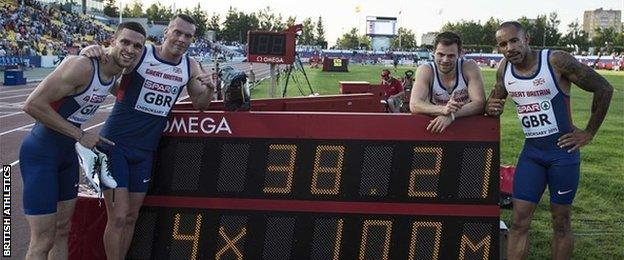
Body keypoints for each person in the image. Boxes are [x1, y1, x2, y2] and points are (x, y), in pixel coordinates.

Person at [81, 14, 215, 260]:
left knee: (131, 217)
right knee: (118, 217)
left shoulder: (190, 65)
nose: (182, 39)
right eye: (178, 32)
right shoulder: (142, 53)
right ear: (166, 32)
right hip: (114, 146)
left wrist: (210, 88)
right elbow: (108, 60)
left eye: (188, 36)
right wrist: (91, 49)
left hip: (144, 152)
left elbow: (200, 104)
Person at [485, 21, 613, 260]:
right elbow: (496, 99)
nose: (509, 48)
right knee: (519, 221)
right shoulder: (504, 68)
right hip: (532, 154)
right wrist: (490, 106)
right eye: (503, 44)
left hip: (562, 154)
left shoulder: (555, 61)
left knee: (561, 220)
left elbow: (603, 88)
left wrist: (589, 132)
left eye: (514, 41)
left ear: (527, 39)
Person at [19, 22, 147, 260]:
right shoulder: (83, 66)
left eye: (137, 46)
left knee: (63, 231)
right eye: (125, 42)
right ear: (112, 41)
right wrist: (80, 135)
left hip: (67, 155)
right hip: (41, 153)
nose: (130, 49)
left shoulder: (115, 73)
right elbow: (32, 104)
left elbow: (128, 95)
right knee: (42, 240)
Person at [410, 31, 485, 133]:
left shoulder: (469, 67)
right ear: (433, 52)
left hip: (466, 127)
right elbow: (414, 104)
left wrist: (452, 115)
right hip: (436, 127)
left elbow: (479, 103)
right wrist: (443, 110)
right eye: (440, 54)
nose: (445, 60)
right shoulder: (426, 70)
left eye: (451, 56)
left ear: (459, 54)